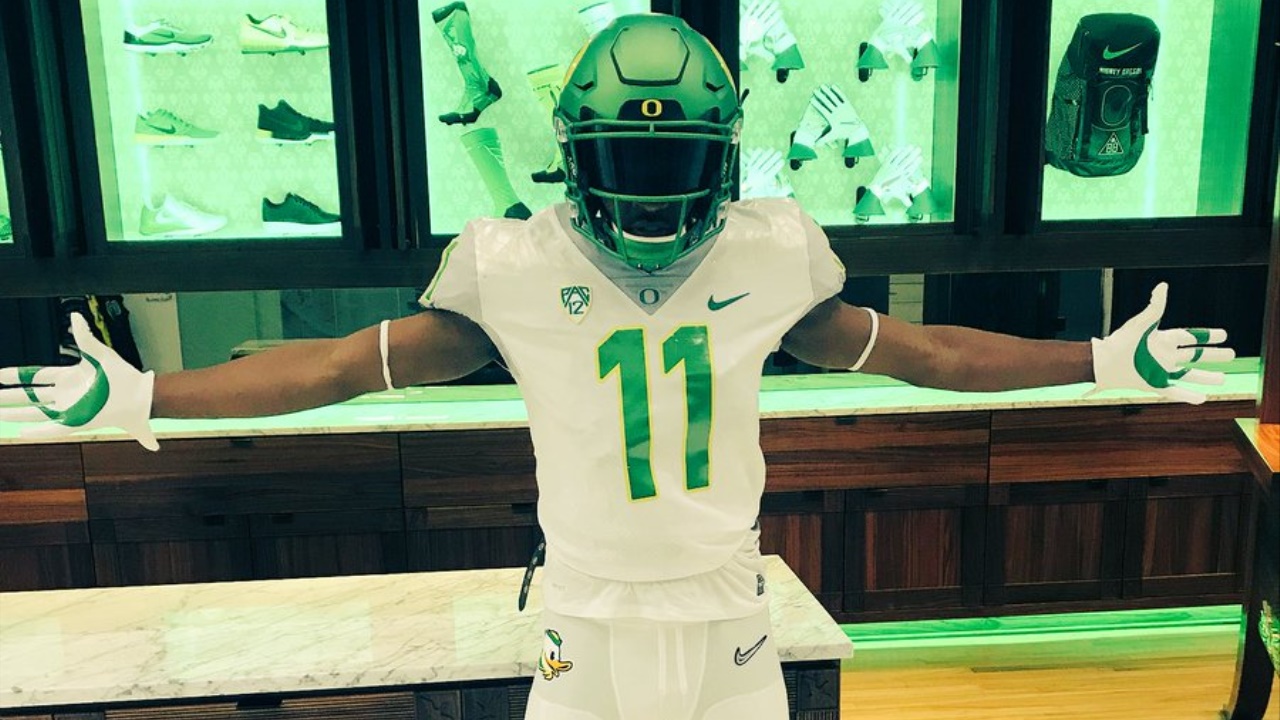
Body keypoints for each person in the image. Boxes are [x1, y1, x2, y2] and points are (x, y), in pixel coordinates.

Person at [0, 14, 1233, 720]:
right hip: (583, 610)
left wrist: (1095, 357)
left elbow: (924, 351)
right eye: (625, 160)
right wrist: (149, 393)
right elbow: (338, 367)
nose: (650, 192)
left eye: (673, 159)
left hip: (728, 601)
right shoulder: (511, 263)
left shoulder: (772, 249)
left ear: (723, 152)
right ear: (574, 151)